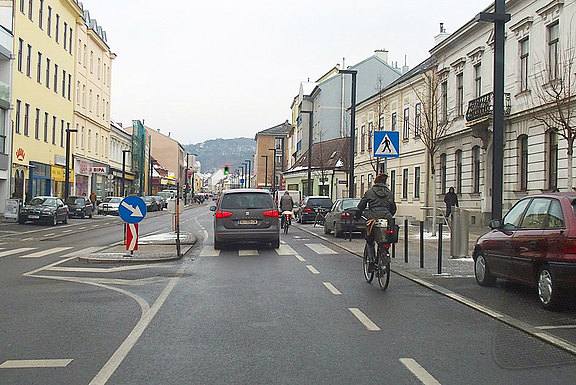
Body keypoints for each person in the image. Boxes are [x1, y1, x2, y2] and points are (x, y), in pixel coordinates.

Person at [355, 173, 397, 270]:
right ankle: (384, 254)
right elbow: (393, 208)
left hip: (373, 219)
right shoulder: (390, 193)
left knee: (370, 240)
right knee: (385, 240)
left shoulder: (369, 192)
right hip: (387, 218)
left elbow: (360, 207)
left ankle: (372, 262)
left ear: (375, 182)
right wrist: (389, 216)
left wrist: (357, 217)